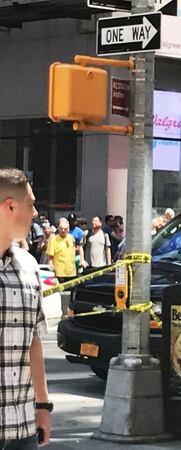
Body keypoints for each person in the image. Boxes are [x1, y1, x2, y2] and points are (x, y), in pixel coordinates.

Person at [0, 168, 52, 447]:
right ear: (10, 206)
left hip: (21, 429)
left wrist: (43, 406)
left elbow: (34, 341)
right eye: (31, 204)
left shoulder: (29, 267)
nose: (34, 213)